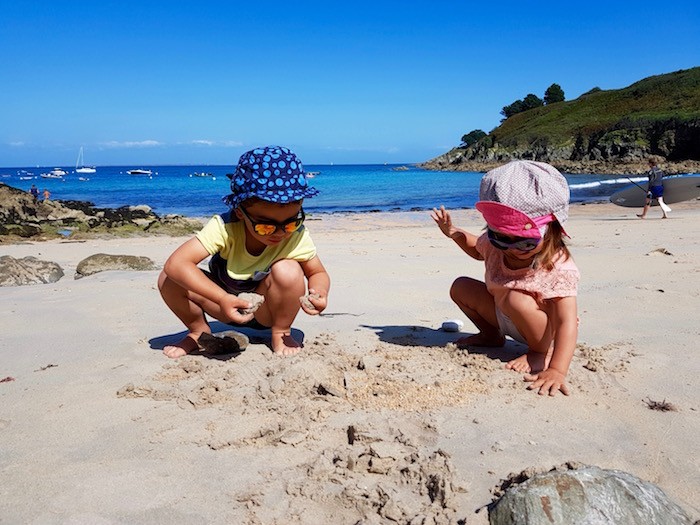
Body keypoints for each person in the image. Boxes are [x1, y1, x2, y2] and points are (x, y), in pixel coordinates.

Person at [158, 145, 330, 358]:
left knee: (289, 269)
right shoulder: (225, 228)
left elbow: (317, 273)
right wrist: (222, 298)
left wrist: (319, 293)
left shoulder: (296, 236)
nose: (279, 233)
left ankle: (281, 331)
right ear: (240, 213)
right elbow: (176, 263)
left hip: (268, 310)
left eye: (290, 223)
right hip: (223, 304)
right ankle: (197, 332)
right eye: (266, 226)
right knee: (169, 278)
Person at [431, 160, 580, 396]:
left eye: (525, 241)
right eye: (501, 237)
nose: (512, 247)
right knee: (461, 286)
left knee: (515, 298)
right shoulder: (496, 246)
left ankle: (539, 353)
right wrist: (454, 234)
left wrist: (557, 370)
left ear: (552, 230)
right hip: (504, 314)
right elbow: (476, 249)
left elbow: (566, 321)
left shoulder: (558, 266)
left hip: (544, 329)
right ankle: (491, 335)